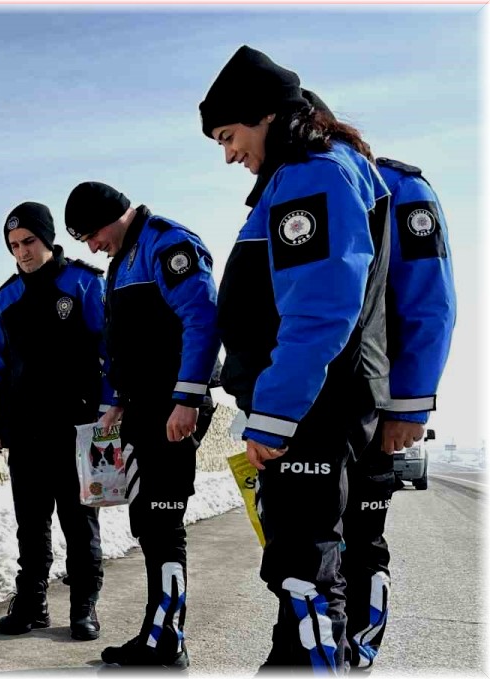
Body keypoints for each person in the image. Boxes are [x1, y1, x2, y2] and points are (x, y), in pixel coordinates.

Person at [198, 45, 392, 672]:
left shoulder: (314, 174)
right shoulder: (311, 172)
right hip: (314, 401)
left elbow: (319, 310)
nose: (229, 153)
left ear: (266, 116)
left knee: (304, 567)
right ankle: (291, 660)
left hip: (311, 407)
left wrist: (274, 415)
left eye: (229, 136)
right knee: (301, 566)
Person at [302, 89, 458, 671]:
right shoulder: (304, 189)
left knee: (361, 539)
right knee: (314, 545)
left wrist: (409, 408)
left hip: (376, 403)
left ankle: (361, 650)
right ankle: (320, 648)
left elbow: (429, 305)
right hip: (318, 406)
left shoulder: (400, 191)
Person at [64, 181, 221, 669]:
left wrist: (188, 398)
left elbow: (202, 320)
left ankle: (167, 639)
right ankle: (158, 633)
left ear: (113, 215)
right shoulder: (123, 261)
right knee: (150, 524)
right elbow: (134, 345)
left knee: (164, 523)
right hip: (146, 408)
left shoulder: (168, 244)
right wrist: (122, 403)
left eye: (91, 234)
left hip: (174, 408)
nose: (91, 246)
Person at [0, 201, 113, 641]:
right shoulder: (6, 298)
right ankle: (32, 603)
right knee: (31, 524)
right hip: (26, 430)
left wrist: (108, 410)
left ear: (48, 239)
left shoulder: (83, 283)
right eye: (14, 245)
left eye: (29, 242)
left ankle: (83, 605)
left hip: (78, 429)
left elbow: (109, 352)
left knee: (79, 523)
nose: (22, 252)